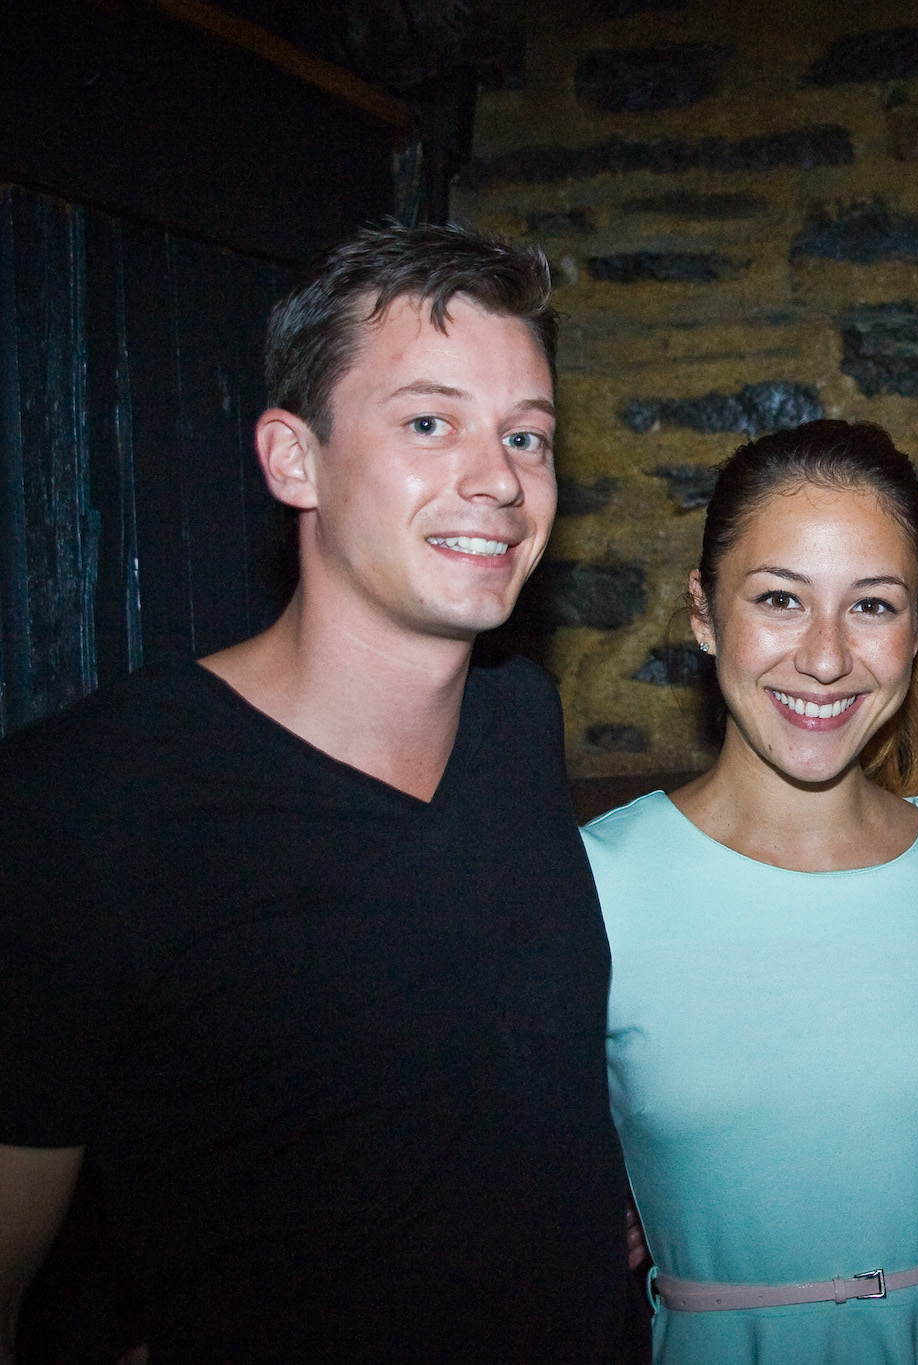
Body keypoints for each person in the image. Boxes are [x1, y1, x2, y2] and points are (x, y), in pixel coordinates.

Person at [0, 224, 641, 1363]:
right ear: (293, 459)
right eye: (428, 423)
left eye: (527, 437)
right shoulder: (86, 808)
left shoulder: (515, 722)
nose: (496, 480)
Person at [581, 419, 918, 1365]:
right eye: (779, 599)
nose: (826, 656)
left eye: (873, 606)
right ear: (703, 611)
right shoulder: (595, 885)